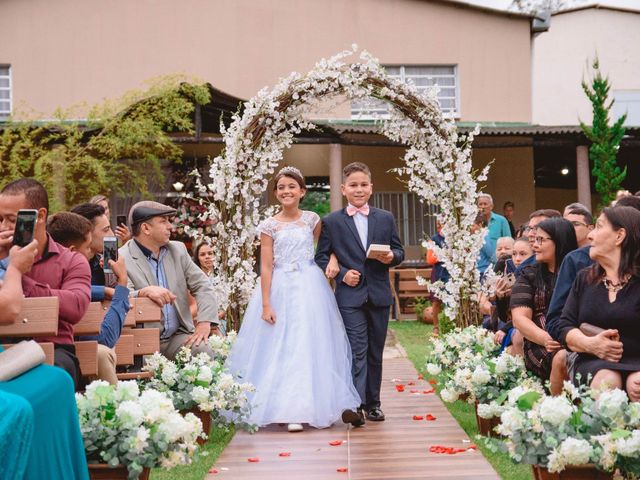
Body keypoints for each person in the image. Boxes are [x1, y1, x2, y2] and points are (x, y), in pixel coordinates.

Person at [227, 166, 360, 432]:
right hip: (280, 287)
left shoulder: (312, 219)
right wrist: (266, 303)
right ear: (276, 194)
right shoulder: (269, 225)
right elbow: (265, 266)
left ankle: (310, 405)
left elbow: (325, 251)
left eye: (291, 186)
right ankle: (284, 408)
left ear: (302, 191)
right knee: (281, 344)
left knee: (308, 342)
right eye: (281, 188)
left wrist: (333, 259)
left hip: (310, 286)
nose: (286, 191)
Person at [315, 162, 404, 426]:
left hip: (378, 294)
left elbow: (399, 251)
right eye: (353, 185)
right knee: (357, 349)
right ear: (343, 189)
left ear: (371, 187)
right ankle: (354, 405)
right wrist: (342, 273)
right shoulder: (331, 222)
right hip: (349, 297)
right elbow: (321, 256)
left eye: (363, 184)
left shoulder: (385, 218)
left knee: (375, 351)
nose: (359, 189)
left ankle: (373, 404)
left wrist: (391, 256)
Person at [0, 240, 89, 480]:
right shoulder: (13, 264)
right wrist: (15, 268)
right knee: (18, 408)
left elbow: (77, 306)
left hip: (17, 355)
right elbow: (8, 308)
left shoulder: (71, 260)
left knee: (58, 381)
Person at [0, 178, 91, 390]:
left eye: (12, 220)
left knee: (57, 376)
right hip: (4, 347)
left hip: (53, 348)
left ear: (39, 216)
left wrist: (19, 272)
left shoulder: (71, 260)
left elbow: (76, 306)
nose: (4, 227)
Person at [119, 201, 222, 360]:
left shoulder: (178, 250)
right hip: (142, 341)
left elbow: (202, 285)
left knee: (204, 351)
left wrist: (205, 322)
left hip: (178, 337)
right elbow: (121, 296)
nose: (170, 226)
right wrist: (143, 292)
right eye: (163, 221)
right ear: (146, 228)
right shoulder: (122, 257)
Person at [557, 207, 640, 399]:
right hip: (593, 361)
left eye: (599, 227)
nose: (590, 236)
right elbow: (564, 326)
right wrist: (589, 344)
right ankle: (600, 429)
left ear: (619, 236)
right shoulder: (585, 278)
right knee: (607, 381)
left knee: (636, 383)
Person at [48, 212, 130, 384]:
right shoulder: (74, 270)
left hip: (65, 354)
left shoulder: (99, 266)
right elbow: (105, 338)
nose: (112, 236)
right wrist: (122, 283)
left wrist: (107, 288)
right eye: (106, 230)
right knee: (101, 353)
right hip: (62, 356)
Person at [511, 217, 577, 393]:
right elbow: (519, 318)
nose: (535, 245)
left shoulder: (581, 273)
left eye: (541, 240)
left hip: (574, 339)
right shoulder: (529, 274)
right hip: (540, 344)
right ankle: (555, 410)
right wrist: (546, 339)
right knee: (560, 356)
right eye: (535, 239)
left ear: (560, 241)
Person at [493, 238, 533, 353]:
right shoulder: (511, 277)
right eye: (514, 254)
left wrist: (505, 329)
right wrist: (500, 297)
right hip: (513, 324)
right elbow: (504, 317)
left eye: (523, 254)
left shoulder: (534, 276)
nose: (517, 259)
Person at [71, 203, 116, 300]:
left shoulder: (102, 263)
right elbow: (69, 290)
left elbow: (119, 298)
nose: (112, 234)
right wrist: (103, 291)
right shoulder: (66, 263)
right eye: (106, 230)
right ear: (87, 233)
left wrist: (116, 275)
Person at [516, 209, 562, 274]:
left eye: (537, 228)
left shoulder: (574, 263)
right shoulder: (524, 269)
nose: (530, 234)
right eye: (529, 229)